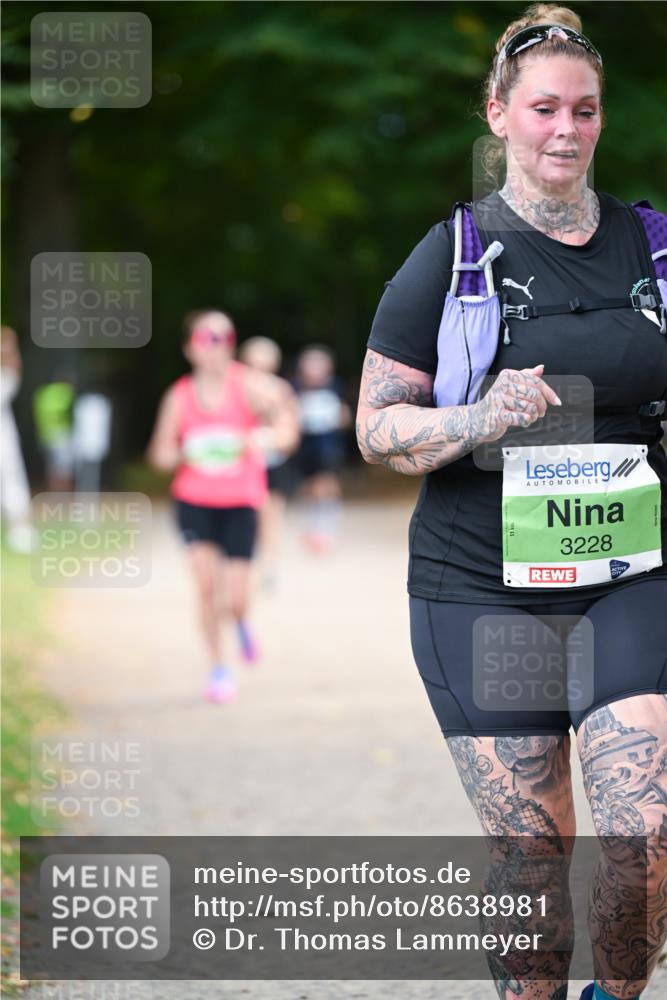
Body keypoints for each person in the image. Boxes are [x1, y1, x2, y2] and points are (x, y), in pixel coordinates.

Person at [356, 5, 667, 1000]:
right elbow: (377, 427)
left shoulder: (653, 247)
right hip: (478, 583)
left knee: (643, 834)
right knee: (533, 857)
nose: (564, 128)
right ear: (498, 115)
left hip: (631, 572)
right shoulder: (449, 256)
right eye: (542, 108)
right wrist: (481, 415)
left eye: (583, 109)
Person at [147, 310, 299, 703]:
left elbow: (287, 424)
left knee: (235, 598)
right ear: (189, 348)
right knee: (204, 587)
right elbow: (159, 453)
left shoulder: (250, 386)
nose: (215, 346)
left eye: (223, 337)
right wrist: (183, 453)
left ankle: (243, 620)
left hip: (240, 503)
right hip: (194, 501)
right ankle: (218, 668)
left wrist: (267, 439)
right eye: (206, 338)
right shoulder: (178, 396)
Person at [238, 336, 300, 589]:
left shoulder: (281, 389)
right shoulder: (235, 386)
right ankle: (241, 565)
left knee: (271, 516)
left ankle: (269, 566)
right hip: (243, 462)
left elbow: (291, 428)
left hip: (273, 460)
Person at [292, 344, 351, 551]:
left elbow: (345, 416)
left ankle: (327, 531)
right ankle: (310, 530)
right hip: (305, 447)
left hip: (328, 446)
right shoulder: (296, 387)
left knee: (327, 485)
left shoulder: (336, 386)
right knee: (308, 488)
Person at [1, 326, 33, 552]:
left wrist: (9, 347)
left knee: (11, 480)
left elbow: (13, 367)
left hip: (4, 437)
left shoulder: (5, 378)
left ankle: (19, 529)